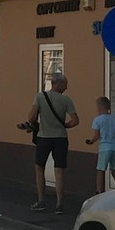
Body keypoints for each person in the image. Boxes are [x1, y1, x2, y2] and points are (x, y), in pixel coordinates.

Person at [25, 72, 79, 213]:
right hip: (61, 138)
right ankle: (59, 204)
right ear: (59, 84)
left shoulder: (40, 97)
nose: (66, 88)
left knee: (39, 168)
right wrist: (65, 125)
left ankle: (41, 200)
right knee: (59, 170)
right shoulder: (67, 100)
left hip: (44, 137)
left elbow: (31, 117)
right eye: (65, 84)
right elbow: (75, 121)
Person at [86, 96, 115, 193]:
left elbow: (97, 135)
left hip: (104, 148)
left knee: (100, 171)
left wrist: (91, 141)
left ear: (99, 108)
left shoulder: (97, 120)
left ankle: (99, 192)